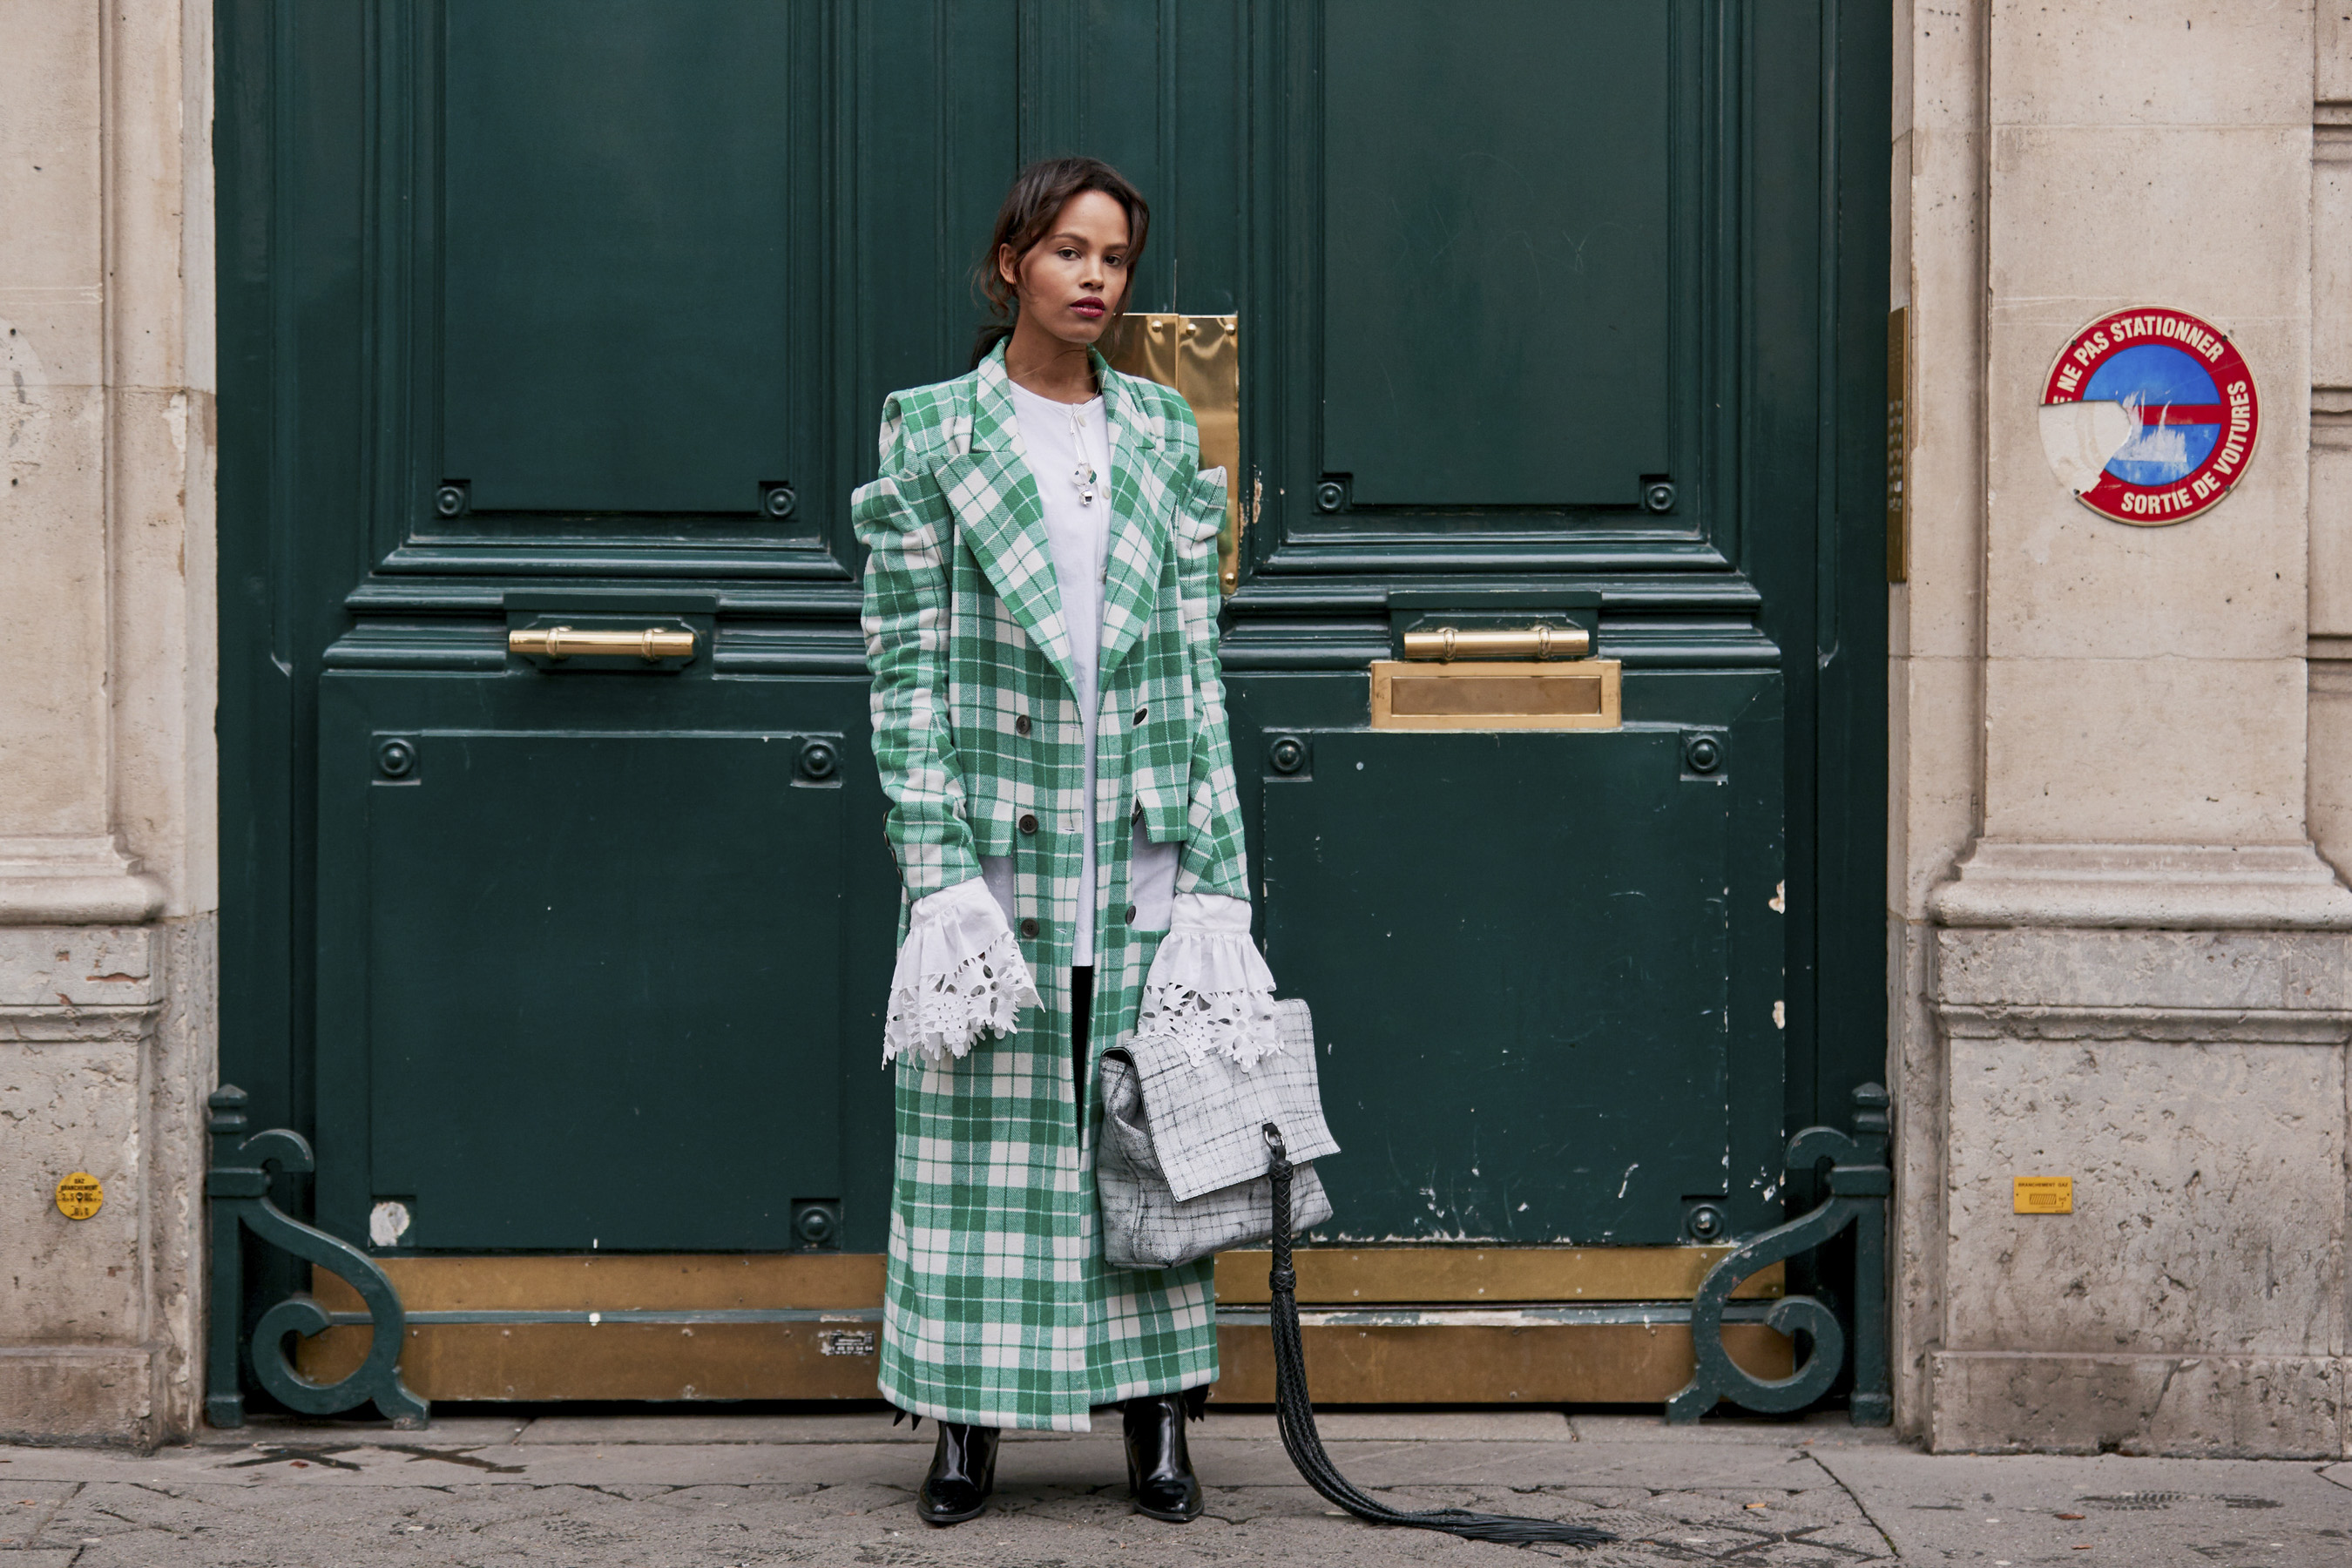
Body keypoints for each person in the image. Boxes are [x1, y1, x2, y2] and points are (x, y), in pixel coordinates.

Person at [853, 156, 1281, 1527]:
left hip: (1143, 830)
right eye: (1068, 253)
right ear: (1009, 267)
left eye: (1116, 259)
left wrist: (1218, 873)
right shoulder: (931, 432)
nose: (1096, 278)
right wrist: (934, 865)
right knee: (977, 1130)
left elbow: (1196, 660)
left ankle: (1159, 1420)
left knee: (1146, 1129)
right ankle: (964, 1427)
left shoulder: (1159, 432)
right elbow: (904, 661)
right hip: (997, 842)